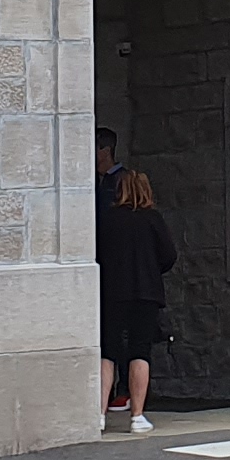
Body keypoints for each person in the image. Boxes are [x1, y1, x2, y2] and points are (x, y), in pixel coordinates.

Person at [98, 167, 178, 434]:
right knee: (140, 350)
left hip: (112, 292)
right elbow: (169, 255)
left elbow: (98, 254)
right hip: (146, 292)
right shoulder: (152, 219)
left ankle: (99, 414)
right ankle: (137, 416)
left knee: (107, 351)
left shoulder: (108, 220)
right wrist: (151, 269)